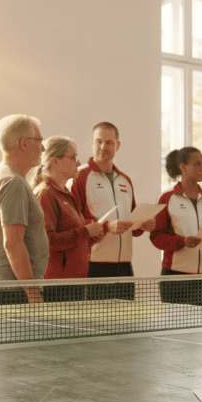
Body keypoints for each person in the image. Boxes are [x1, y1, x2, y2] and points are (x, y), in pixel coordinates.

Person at [71, 122, 158, 300]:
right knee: (95, 324)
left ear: (117, 145)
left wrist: (143, 224)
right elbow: (74, 222)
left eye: (109, 142)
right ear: (91, 143)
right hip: (93, 266)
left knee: (126, 323)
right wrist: (106, 226)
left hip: (124, 267)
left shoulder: (125, 180)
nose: (103, 147)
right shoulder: (79, 177)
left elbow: (132, 221)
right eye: (98, 141)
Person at [0, 114, 49, 305]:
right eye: (39, 141)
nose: (43, 148)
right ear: (24, 143)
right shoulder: (12, 183)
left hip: (10, 286)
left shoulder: (2, 177)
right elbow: (13, 244)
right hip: (12, 290)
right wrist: (33, 293)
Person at [150, 147, 202, 307]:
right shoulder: (167, 198)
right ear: (183, 167)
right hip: (176, 277)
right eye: (197, 164)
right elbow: (156, 237)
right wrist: (181, 241)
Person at [33, 136, 105, 302]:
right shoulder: (46, 194)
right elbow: (47, 242)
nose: (78, 163)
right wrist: (84, 232)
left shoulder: (66, 194)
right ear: (55, 160)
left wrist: (90, 237)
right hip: (57, 285)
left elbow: (74, 240)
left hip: (74, 282)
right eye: (73, 157)